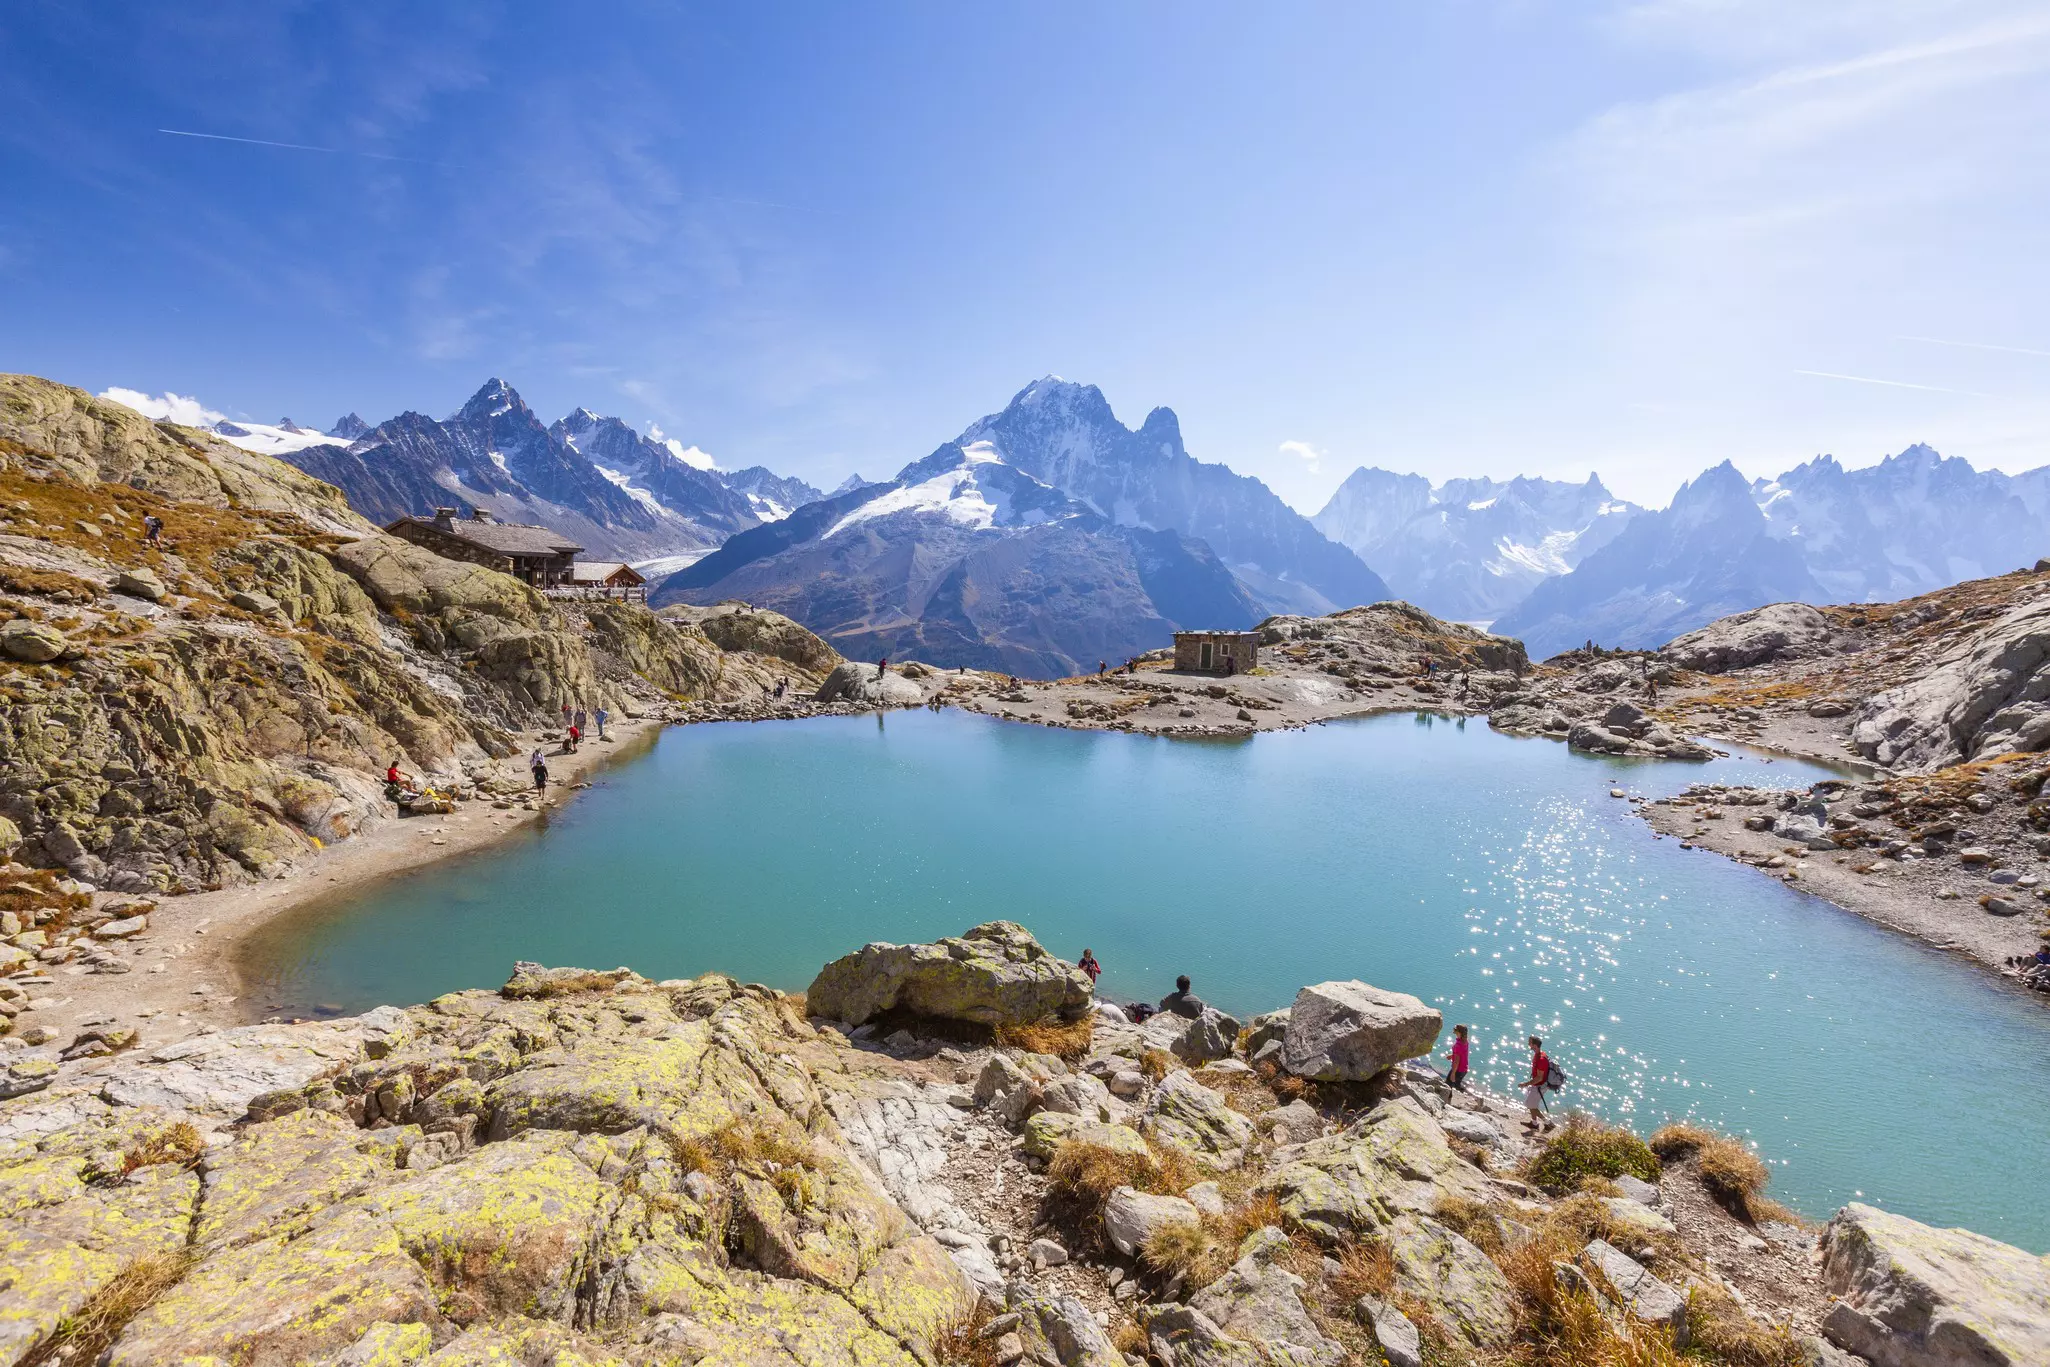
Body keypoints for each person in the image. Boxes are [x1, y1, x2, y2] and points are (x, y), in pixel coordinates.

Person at [1522, 1036, 1553, 1133]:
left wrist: (1526, 1084)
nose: (1528, 1044)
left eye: (1530, 1043)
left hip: (1540, 1086)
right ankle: (1534, 1124)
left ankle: (1548, 1123)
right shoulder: (1538, 1054)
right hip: (1536, 1084)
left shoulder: (1541, 1059)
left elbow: (1539, 1077)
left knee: (1529, 1104)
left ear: (1534, 1045)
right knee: (1532, 1104)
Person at [1448, 1023, 1470, 1091]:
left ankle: (1447, 1099)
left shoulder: (1458, 1045)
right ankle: (1464, 1091)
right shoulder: (1465, 1041)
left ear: (1459, 1032)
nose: (1454, 1032)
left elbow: (1456, 1061)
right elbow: (1462, 1054)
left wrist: (1453, 1073)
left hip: (1458, 1070)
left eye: (1455, 1031)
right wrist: (1452, 1055)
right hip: (1464, 1069)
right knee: (1456, 1084)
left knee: (1448, 1084)